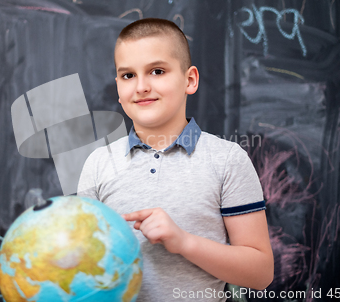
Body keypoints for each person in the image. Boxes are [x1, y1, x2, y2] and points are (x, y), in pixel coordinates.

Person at [77, 18, 273, 301]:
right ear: (118, 87)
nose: (141, 86)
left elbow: (261, 273)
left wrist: (184, 242)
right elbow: (82, 267)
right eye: (128, 75)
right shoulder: (98, 163)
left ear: (189, 80)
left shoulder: (228, 160)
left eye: (157, 71)